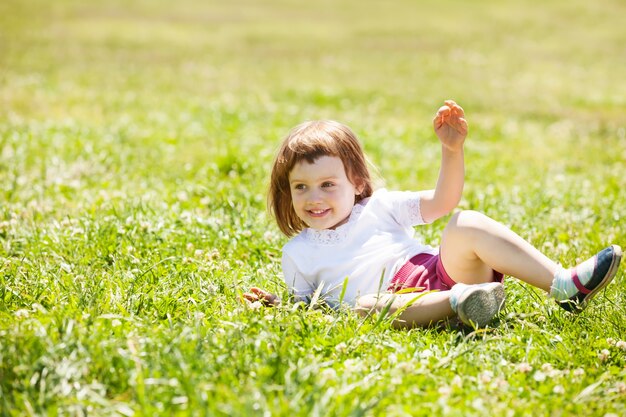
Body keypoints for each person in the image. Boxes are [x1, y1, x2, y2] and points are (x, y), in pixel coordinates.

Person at [243, 100, 622, 329]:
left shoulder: (379, 207)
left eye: (328, 184)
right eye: (301, 187)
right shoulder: (297, 253)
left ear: (357, 182)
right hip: (401, 305)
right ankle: (466, 303)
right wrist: (276, 305)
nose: (314, 198)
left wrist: (452, 151)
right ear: (287, 191)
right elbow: (306, 308)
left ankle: (563, 284)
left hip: (438, 272)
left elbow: (443, 202)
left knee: (465, 223)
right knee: (363, 308)